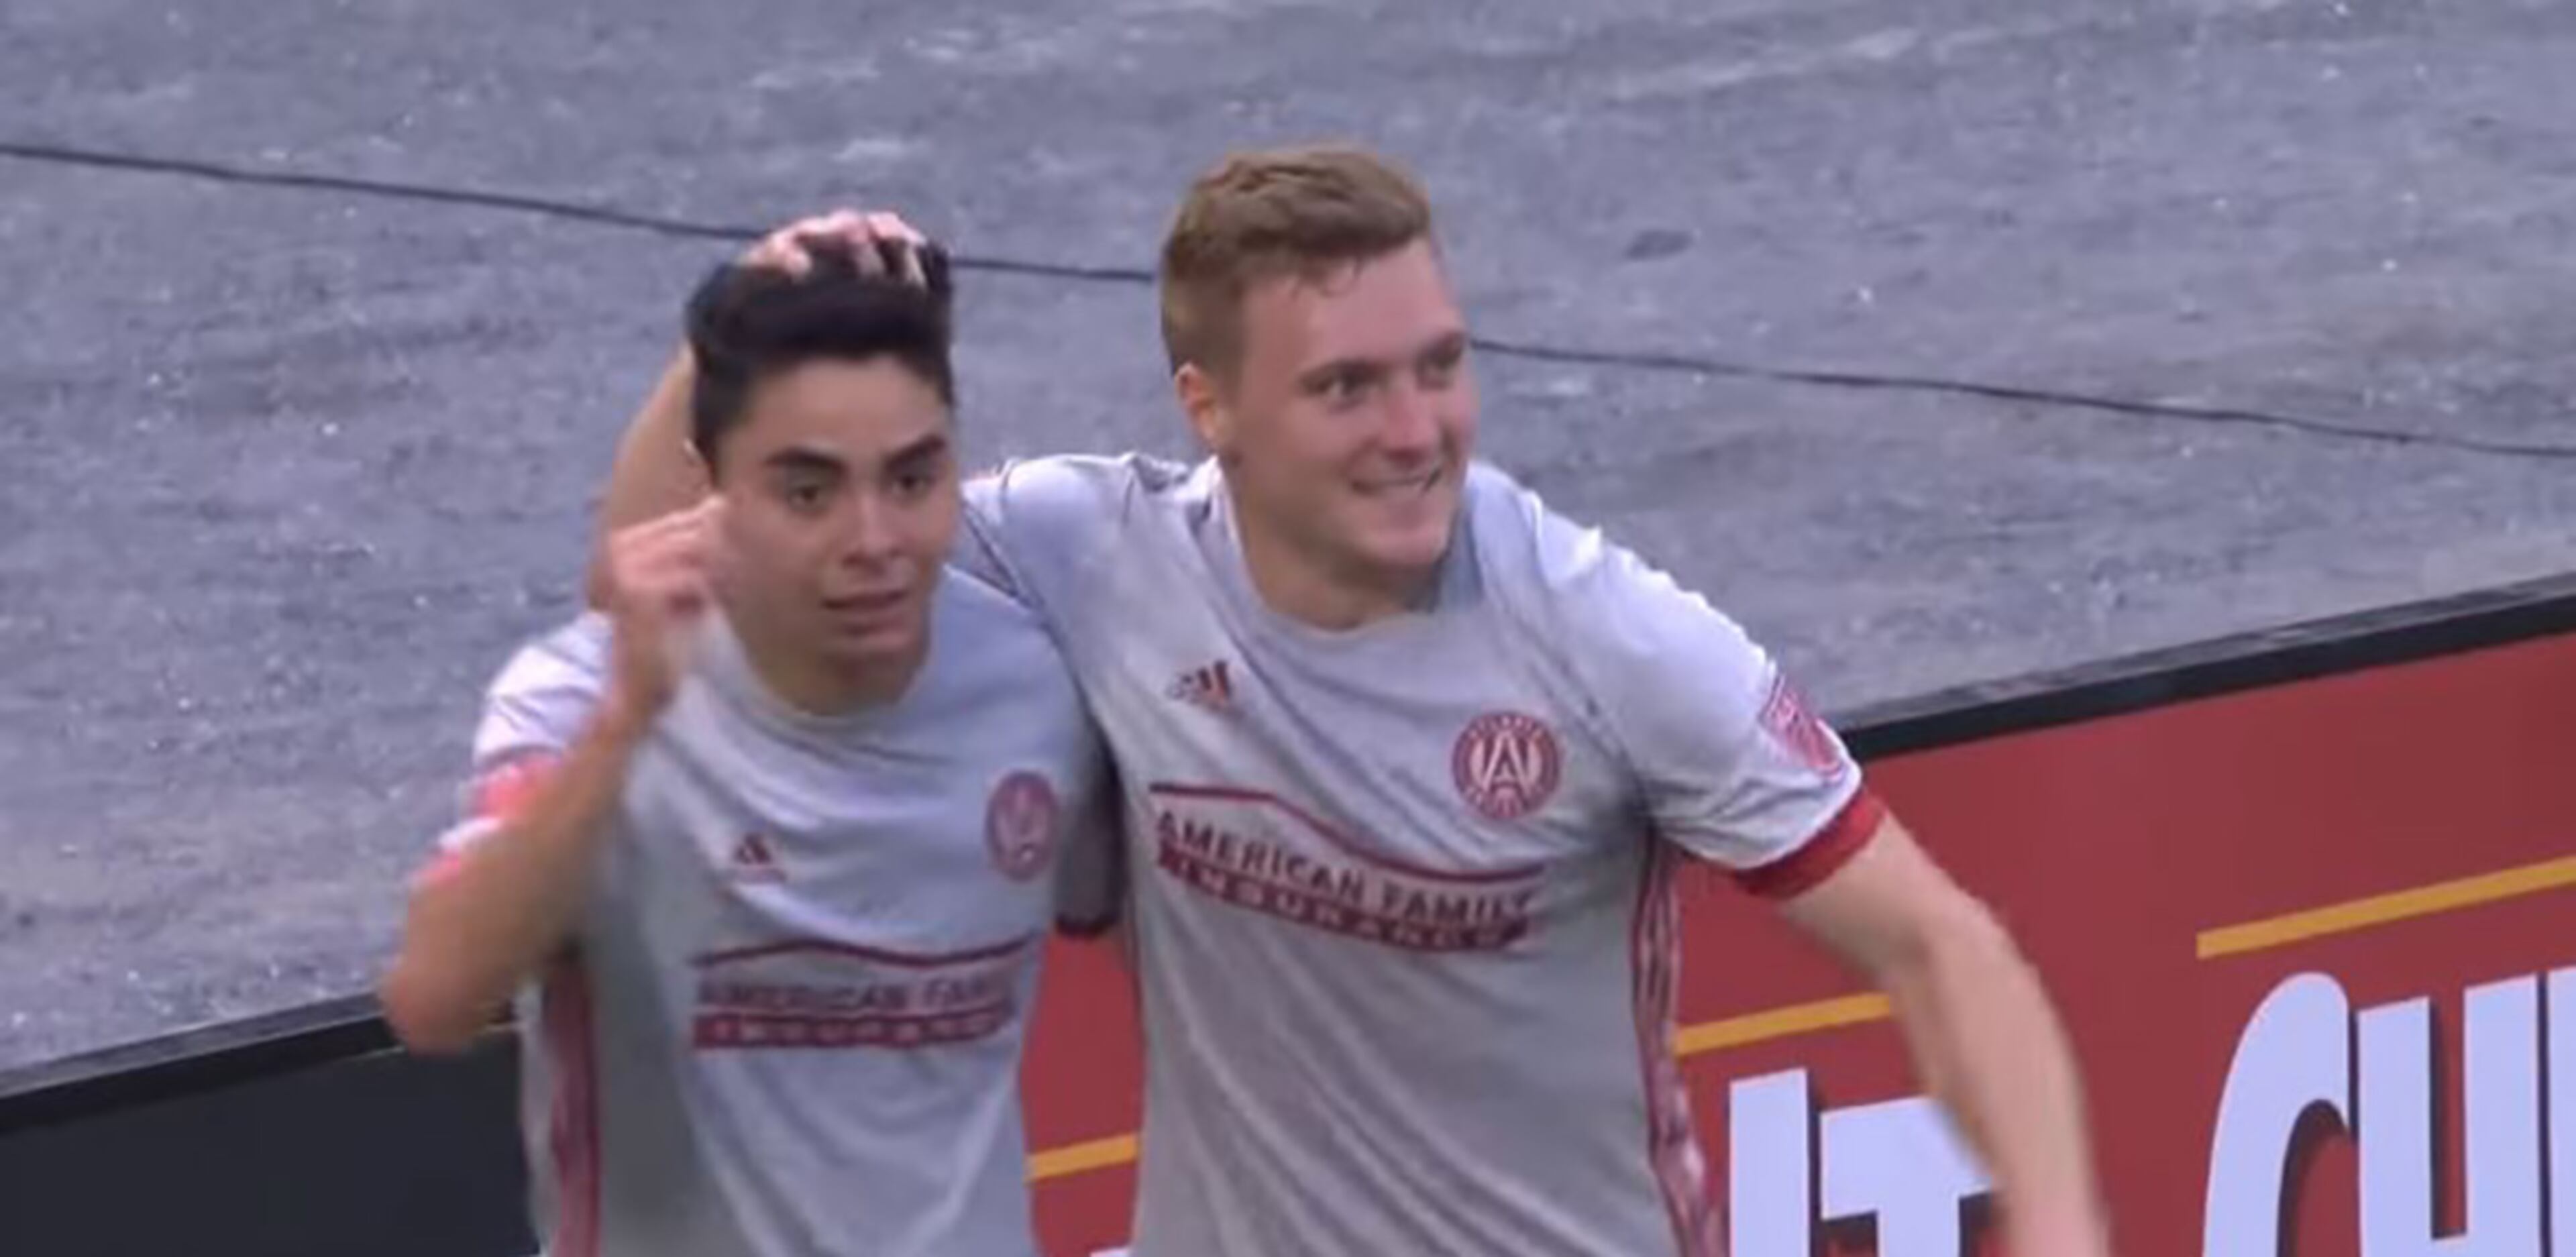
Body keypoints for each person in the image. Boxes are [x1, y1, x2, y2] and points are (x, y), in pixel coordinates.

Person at [596, 149, 2111, 1256]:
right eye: (1347, 389)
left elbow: (1939, 941)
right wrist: (744, 332)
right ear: (1210, 409)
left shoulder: (1600, 635)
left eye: (1438, 368)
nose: (1416, 432)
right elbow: (657, 576)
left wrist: (2053, 1225)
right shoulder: (1086, 554)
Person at [382, 241, 1111, 1257]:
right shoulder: (585, 696)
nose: (872, 540)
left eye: (911, 478)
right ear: (708, 483)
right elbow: (436, 995)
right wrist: (630, 722)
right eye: (808, 493)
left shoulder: (1037, 685)